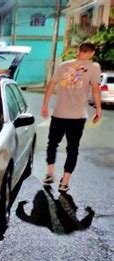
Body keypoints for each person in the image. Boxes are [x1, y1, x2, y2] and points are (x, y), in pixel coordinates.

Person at [41, 42, 102, 193]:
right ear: (91, 53)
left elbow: (51, 84)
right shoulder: (94, 67)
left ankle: (49, 173)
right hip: (78, 116)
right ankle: (64, 183)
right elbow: (95, 88)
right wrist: (98, 109)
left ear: (79, 51)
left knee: (52, 144)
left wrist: (44, 105)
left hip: (59, 114)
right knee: (73, 148)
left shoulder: (64, 65)